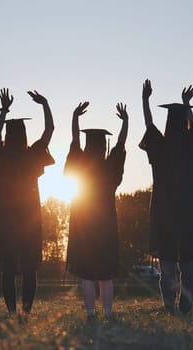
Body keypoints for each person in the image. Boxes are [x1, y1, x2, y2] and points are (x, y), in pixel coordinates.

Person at [0, 88, 55, 319]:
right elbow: (49, 131)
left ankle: (12, 311)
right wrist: (44, 104)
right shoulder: (31, 155)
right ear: (24, 135)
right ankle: (25, 313)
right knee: (29, 268)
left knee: (7, 269)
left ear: (8, 135)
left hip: (6, 219)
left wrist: (3, 111)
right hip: (28, 219)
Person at [139, 80, 193, 315]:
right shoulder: (191, 145)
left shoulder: (160, 146)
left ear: (168, 122)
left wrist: (145, 99)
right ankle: (186, 306)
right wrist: (187, 106)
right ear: (185, 122)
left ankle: (169, 305)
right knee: (188, 261)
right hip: (188, 211)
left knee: (167, 261)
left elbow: (149, 124)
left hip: (164, 211)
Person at [64, 101, 128, 319]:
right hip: (107, 224)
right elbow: (120, 144)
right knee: (106, 274)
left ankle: (91, 313)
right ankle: (108, 312)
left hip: (83, 223)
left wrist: (75, 117)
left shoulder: (80, 164)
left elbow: (74, 141)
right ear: (103, 147)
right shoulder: (110, 166)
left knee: (87, 274)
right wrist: (125, 122)